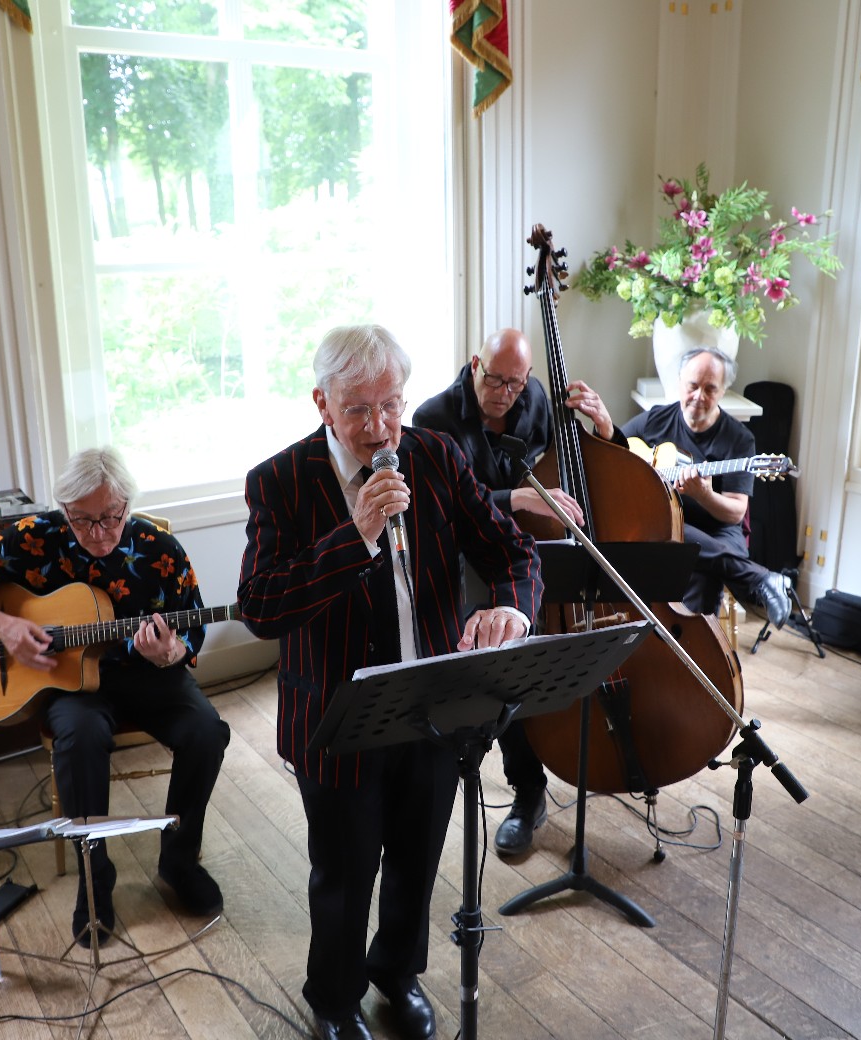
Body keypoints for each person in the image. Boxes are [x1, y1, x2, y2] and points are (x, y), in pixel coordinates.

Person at [240, 324, 542, 1040]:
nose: (379, 429)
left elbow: (513, 551)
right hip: (336, 717)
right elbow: (260, 608)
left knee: (416, 860)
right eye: (357, 410)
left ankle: (397, 976)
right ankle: (335, 1000)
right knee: (344, 875)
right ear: (322, 402)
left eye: (390, 405)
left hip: (434, 706)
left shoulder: (435, 455)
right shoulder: (279, 481)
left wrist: (512, 608)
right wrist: (357, 535)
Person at [0, 447, 230, 939]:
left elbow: (192, 630)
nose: (97, 533)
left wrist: (170, 652)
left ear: (128, 505)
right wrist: (5, 626)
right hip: (71, 683)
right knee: (80, 738)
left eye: (110, 517)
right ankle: (95, 880)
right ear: (64, 509)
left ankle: (179, 860)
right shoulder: (33, 538)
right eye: (82, 519)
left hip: (150, 674)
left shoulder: (160, 550)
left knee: (207, 732)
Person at [411, 327, 582, 856]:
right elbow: (450, 501)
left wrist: (601, 426)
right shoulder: (434, 418)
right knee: (501, 667)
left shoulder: (536, 400)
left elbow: (564, 455)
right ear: (474, 364)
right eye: (494, 379)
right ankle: (527, 791)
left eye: (515, 383)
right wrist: (519, 498)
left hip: (534, 545)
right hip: (473, 552)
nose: (504, 392)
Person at [566, 346, 792, 626]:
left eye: (710, 389)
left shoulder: (739, 438)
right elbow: (618, 452)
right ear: (680, 383)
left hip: (718, 528)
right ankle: (760, 579)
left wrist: (704, 495)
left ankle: (692, 646)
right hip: (670, 520)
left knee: (693, 560)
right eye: (693, 386)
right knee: (669, 533)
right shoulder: (655, 419)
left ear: (723, 391)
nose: (699, 396)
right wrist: (607, 429)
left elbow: (735, 513)